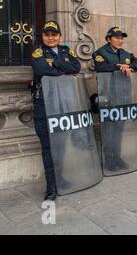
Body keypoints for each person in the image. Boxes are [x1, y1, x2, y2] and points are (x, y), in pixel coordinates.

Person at [31, 20, 81, 201]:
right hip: (44, 104)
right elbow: (43, 70)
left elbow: (76, 67)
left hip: (63, 104)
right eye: (47, 35)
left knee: (60, 145)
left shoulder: (67, 51)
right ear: (42, 36)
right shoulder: (38, 52)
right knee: (48, 146)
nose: (51, 38)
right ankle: (51, 186)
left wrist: (56, 65)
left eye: (54, 35)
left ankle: (61, 179)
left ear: (60, 36)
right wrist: (63, 69)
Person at [92, 26, 137, 171]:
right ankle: (109, 160)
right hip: (108, 97)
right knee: (109, 130)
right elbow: (101, 67)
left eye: (122, 38)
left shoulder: (126, 53)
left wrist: (130, 67)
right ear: (109, 39)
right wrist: (119, 66)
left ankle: (117, 157)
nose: (120, 40)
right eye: (117, 37)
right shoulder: (100, 53)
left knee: (119, 130)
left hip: (123, 96)